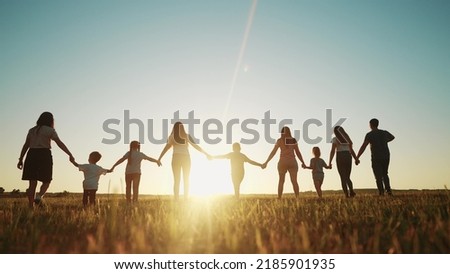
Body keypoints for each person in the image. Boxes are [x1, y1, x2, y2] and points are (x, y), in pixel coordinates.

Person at [17, 112, 75, 208]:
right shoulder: (50, 130)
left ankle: (31, 206)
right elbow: (59, 143)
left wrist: (20, 159)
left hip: (31, 154)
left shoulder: (32, 130)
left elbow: (26, 145)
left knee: (32, 183)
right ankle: (39, 196)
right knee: (47, 180)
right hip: (44, 154)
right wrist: (70, 154)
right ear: (50, 120)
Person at [158, 122, 209, 200]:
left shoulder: (172, 137)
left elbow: (166, 148)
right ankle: (186, 199)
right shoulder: (187, 136)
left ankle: (176, 199)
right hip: (186, 158)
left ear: (174, 128)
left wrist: (159, 158)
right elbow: (196, 146)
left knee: (176, 180)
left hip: (176, 158)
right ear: (182, 127)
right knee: (186, 179)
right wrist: (206, 153)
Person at [262, 126, 306, 199]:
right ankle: (297, 198)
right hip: (292, 162)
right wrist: (303, 162)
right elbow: (298, 152)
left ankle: (279, 197)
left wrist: (266, 162)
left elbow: (273, 152)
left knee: (281, 181)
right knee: (294, 181)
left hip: (282, 162)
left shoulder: (279, 140)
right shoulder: (293, 140)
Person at [356, 118, 395, 196]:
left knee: (378, 176)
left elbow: (364, 146)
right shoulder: (384, 132)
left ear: (370, 125)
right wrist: (385, 141)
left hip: (376, 157)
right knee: (385, 174)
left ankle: (381, 192)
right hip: (386, 155)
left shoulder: (370, 135)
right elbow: (392, 137)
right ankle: (388, 191)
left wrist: (357, 157)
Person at [329, 126, 358, 198]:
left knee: (342, 177)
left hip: (340, 156)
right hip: (348, 156)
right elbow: (351, 150)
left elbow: (332, 151)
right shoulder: (348, 140)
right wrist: (356, 158)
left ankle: (346, 194)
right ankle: (351, 191)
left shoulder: (335, 139)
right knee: (347, 176)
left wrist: (330, 162)